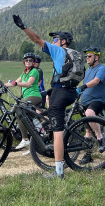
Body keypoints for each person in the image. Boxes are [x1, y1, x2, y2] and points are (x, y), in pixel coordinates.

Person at [13, 14, 77, 179]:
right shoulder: (74, 54)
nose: (53, 42)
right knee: (52, 118)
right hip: (70, 91)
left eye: (55, 39)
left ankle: (59, 172)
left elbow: (36, 39)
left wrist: (23, 27)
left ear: (63, 41)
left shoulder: (58, 50)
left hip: (60, 93)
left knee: (57, 131)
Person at [5, 52, 43, 154]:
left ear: (33, 62)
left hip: (34, 96)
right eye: (26, 60)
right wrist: (3, 85)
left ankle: (25, 139)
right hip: (27, 97)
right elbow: (14, 82)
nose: (28, 62)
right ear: (24, 62)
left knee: (19, 111)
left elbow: (28, 84)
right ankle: (36, 140)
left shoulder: (35, 71)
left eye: (31, 60)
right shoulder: (24, 72)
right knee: (29, 118)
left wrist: (16, 83)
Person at [77, 47, 105, 164]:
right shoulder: (88, 70)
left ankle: (100, 138)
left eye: (89, 56)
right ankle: (88, 155)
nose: (87, 58)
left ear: (96, 57)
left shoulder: (102, 68)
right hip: (85, 101)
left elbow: (96, 81)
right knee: (88, 130)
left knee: (89, 113)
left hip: (98, 100)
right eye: (86, 56)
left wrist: (83, 86)